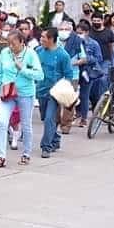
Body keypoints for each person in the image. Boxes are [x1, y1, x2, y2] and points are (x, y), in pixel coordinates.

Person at [0, 30, 43, 167]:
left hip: (25, 93)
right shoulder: (5, 53)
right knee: (2, 123)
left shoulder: (31, 54)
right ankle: (1, 156)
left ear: (22, 42)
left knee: (26, 124)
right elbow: (0, 73)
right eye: (9, 44)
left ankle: (26, 153)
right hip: (7, 93)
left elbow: (40, 75)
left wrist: (23, 69)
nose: (11, 47)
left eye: (14, 44)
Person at [36, 28, 74, 158]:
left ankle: (46, 147)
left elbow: (69, 74)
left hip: (55, 93)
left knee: (49, 119)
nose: (41, 40)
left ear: (51, 39)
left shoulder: (63, 55)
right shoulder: (38, 51)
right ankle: (55, 138)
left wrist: (63, 89)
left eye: (43, 38)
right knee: (44, 118)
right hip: (41, 90)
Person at [74, 20, 103, 128]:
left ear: (87, 32)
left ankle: (84, 118)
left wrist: (87, 59)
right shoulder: (73, 42)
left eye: (81, 32)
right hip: (75, 71)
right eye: (77, 32)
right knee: (72, 94)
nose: (78, 35)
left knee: (84, 95)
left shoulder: (93, 44)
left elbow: (99, 58)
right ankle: (74, 114)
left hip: (88, 72)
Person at [89, 11, 114, 101]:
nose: (96, 22)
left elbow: (112, 47)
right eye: (94, 20)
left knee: (103, 80)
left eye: (98, 20)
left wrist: (113, 61)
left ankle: (103, 101)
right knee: (92, 80)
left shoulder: (108, 32)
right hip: (93, 61)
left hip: (105, 60)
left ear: (102, 20)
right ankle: (94, 101)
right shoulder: (89, 32)